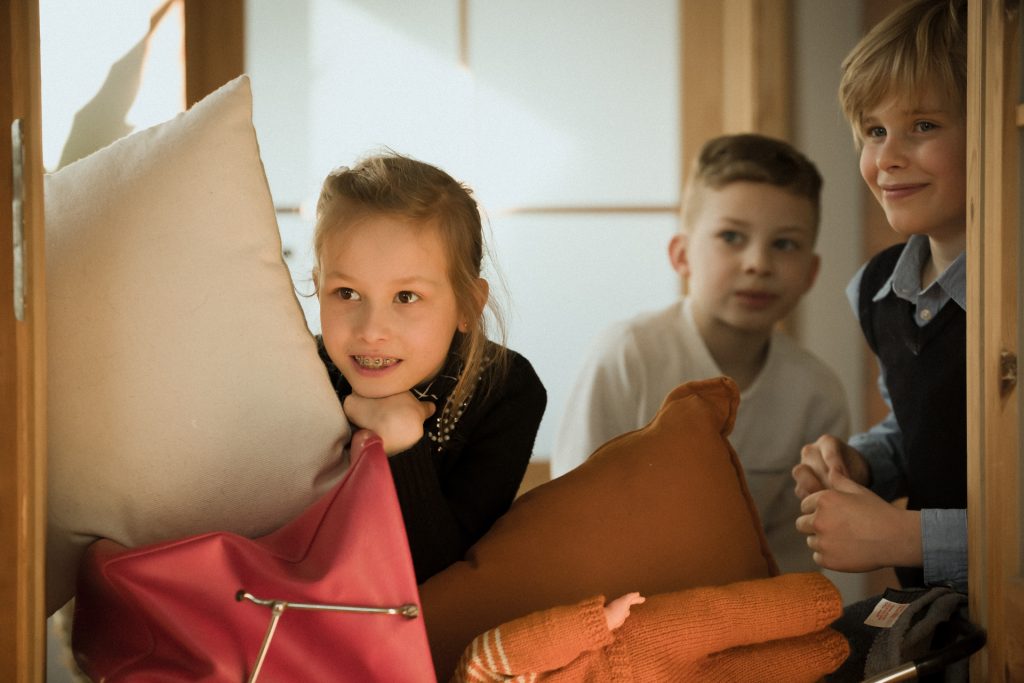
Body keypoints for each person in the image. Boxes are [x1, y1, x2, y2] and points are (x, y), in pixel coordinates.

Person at [551, 133, 850, 573]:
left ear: (811, 271)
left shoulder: (817, 393)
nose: (758, 263)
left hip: (751, 606)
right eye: (732, 236)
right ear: (682, 255)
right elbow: (571, 513)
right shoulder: (629, 355)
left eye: (784, 244)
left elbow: (795, 556)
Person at [792, 0, 968, 594]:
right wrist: (864, 462)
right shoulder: (876, 288)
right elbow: (921, 424)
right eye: (874, 131)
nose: (888, 158)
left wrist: (906, 539)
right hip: (938, 615)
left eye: (923, 126)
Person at [313, 152, 547, 583]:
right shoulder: (301, 372)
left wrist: (402, 442)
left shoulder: (506, 389)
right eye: (346, 293)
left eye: (406, 297)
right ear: (317, 285)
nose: (371, 330)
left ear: (468, 305)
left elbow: (441, 577)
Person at [450, 573, 849, 682]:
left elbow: (534, 640)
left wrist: (597, 621)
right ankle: (825, 654)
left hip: (629, 644)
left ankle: (812, 601)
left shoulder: (476, 671)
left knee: (724, 615)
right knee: (748, 675)